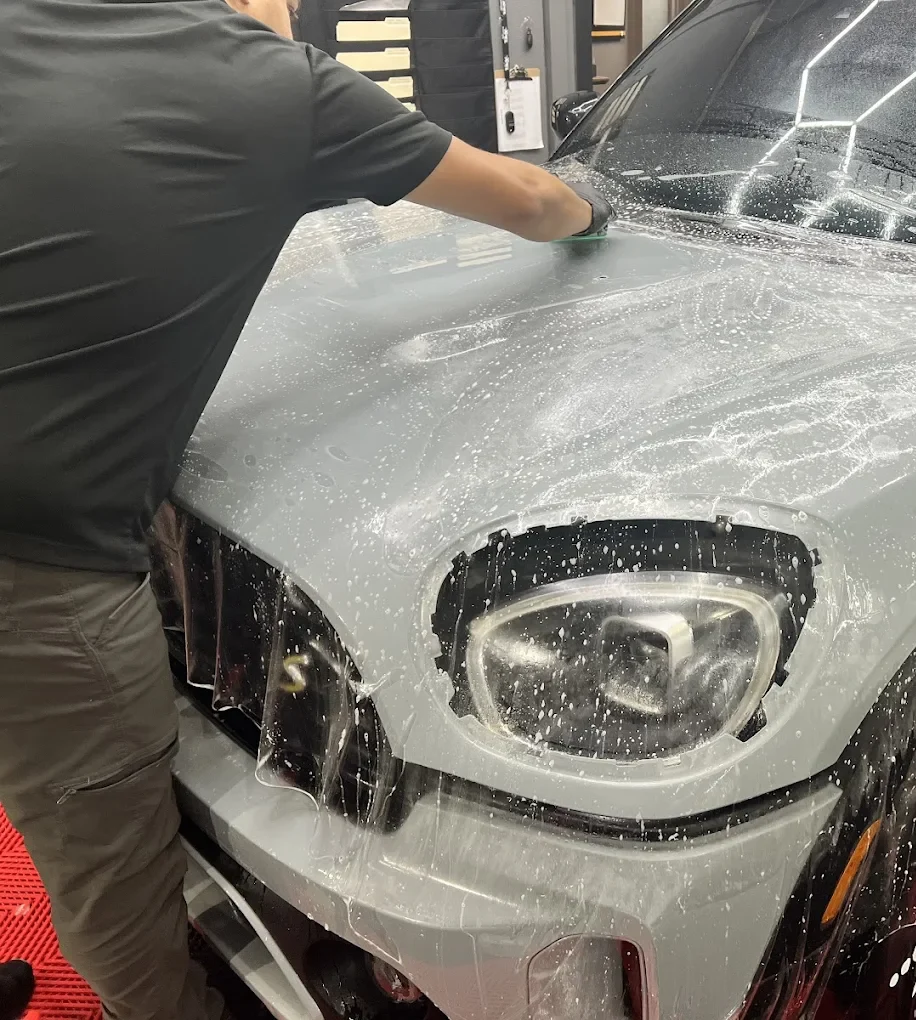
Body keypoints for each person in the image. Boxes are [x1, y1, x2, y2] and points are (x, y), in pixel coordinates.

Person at [0, 1, 613, 1018]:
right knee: (108, 855)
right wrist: (597, 211)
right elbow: (530, 198)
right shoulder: (275, 86)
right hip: (37, 563)